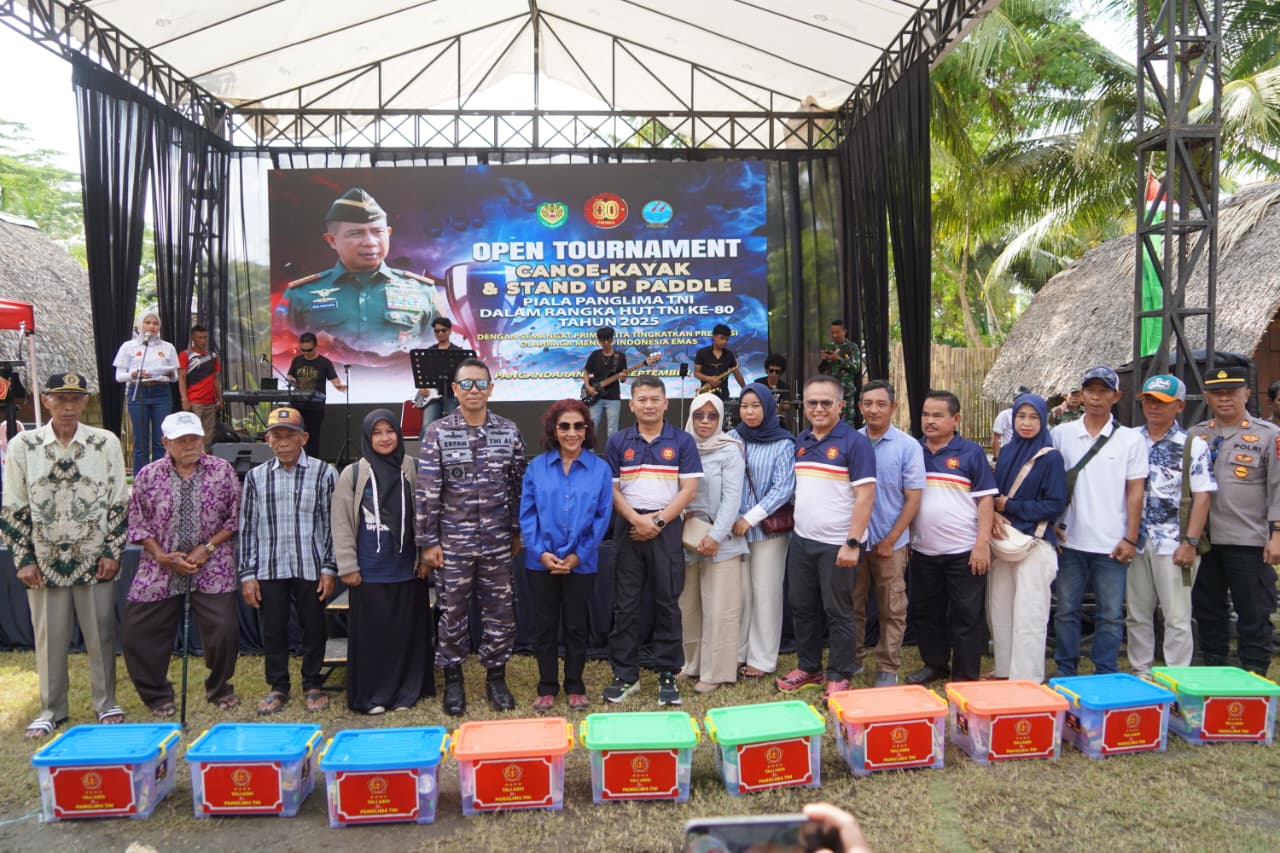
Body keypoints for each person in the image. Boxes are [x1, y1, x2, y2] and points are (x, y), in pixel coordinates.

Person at [0, 372, 128, 739]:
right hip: (44, 560)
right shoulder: (23, 445)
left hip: (95, 557)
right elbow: (13, 505)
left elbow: (119, 501)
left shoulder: (105, 442)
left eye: (75, 398)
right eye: (60, 399)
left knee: (102, 636)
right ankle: (51, 709)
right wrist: (23, 559)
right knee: (49, 640)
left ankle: (107, 703)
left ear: (86, 401)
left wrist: (112, 551)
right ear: (46, 401)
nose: (68, 406)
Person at [416, 357, 527, 715]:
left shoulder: (509, 431)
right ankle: (453, 681)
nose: (473, 390)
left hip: (497, 541)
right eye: (466, 384)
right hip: (452, 544)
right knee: (452, 612)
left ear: (490, 388)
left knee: (500, 612)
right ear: (455, 389)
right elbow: (427, 491)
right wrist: (428, 542)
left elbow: (519, 486)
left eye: (480, 383)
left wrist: (517, 531)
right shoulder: (438, 432)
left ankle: (496, 678)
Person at [122, 412, 242, 716]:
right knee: (137, 631)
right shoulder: (148, 475)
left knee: (224, 629)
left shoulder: (222, 470)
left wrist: (208, 547)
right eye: (182, 440)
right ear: (166, 443)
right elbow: (137, 523)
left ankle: (219, 687)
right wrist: (161, 555)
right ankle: (156, 694)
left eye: (195, 439)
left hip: (212, 562)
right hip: (160, 563)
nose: (190, 445)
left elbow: (235, 518)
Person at [603, 374, 702, 706]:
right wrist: (636, 520)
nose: (649, 405)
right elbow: (612, 489)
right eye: (642, 400)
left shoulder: (682, 441)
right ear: (631, 405)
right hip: (629, 527)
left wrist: (657, 522)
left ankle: (667, 674)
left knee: (667, 604)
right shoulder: (618, 441)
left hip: (666, 526)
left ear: (665, 403)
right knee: (626, 604)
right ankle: (625, 675)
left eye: (655, 399)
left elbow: (689, 489)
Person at [777, 375, 875, 698]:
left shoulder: (855, 443)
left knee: (839, 611)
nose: (818, 408)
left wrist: (852, 543)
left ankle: (840, 674)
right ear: (804, 406)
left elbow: (865, 496)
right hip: (802, 540)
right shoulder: (801, 440)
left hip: (838, 544)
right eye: (812, 403)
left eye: (825, 403)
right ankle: (809, 667)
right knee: (802, 606)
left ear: (840, 406)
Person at [332, 409, 434, 714]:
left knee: (405, 636)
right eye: (377, 433)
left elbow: (426, 515)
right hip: (369, 572)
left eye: (390, 431)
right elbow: (341, 522)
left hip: (407, 570)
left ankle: (405, 693)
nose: (385, 438)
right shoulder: (353, 474)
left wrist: (424, 557)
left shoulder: (412, 468)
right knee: (373, 638)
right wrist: (348, 566)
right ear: (367, 437)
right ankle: (372, 696)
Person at [238, 406, 338, 714]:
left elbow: (332, 524)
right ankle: (278, 686)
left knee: (313, 626)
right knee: (273, 628)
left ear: (304, 438)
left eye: (290, 436)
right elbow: (247, 527)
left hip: (310, 564)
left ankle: (312, 683)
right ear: (267, 440)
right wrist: (247, 574)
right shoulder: (256, 477)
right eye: (276, 436)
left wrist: (329, 567)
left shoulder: (324, 473)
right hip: (270, 566)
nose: (283, 443)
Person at [1049, 366, 1148, 677]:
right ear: (1081, 394)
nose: (1095, 397)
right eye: (1090, 390)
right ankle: (1066, 669)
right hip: (1069, 541)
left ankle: (1105, 672)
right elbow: (1048, 482)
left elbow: (1135, 491)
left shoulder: (1131, 439)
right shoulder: (1061, 434)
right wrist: (1050, 525)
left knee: (1111, 614)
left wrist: (1131, 537)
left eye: (1103, 391)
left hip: (1112, 543)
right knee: (1066, 610)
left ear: (1116, 396)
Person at [519, 399, 613, 713]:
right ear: (554, 430)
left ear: (587, 430)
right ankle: (547, 687)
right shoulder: (536, 467)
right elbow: (527, 515)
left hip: (581, 563)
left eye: (578, 426)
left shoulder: (600, 469)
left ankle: (575, 686)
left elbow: (602, 518)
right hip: (540, 563)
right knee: (544, 626)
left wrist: (578, 556)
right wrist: (541, 553)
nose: (572, 433)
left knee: (575, 626)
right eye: (564, 426)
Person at [281, 187, 445, 366]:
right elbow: (285, 352)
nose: (370, 242)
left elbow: (441, 354)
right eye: (356, 233)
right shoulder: (300, 294)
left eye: (378, 232)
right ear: (332, 240)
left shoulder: (423, 291)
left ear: (388, 233)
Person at [1190, 364, 1280, 675]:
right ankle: (1215, 675)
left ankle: (1254, 678)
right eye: (1217, 393)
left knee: (1254, 614)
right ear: (1207, 397)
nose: (1224, 399)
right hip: (1204, 542)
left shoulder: (1268, 436)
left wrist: (1277, 535)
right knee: (1208, 613)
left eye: (1231, 392)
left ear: (1247, 394)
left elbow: (1278, 487)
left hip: (1248, 540)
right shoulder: (1196, 435)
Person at [906, 390, 998, 685]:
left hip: (964, 551)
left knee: (966, 614)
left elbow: (986, 500)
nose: (929, 421)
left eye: (937, 415)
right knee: (927, 612)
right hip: (923, 550)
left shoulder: (970, 453)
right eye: (925, 414)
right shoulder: (914, 451)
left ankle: (965, 674)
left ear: (955, 419)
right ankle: (934, 664)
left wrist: (981, 544)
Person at [1127, 376, 1214, 680]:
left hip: (1174, 541)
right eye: (1149, 400)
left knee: (1176, 616)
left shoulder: (1192, 445)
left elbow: (1203, 496)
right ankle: (1141, 673)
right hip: (1135, 539)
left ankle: (1177, 677)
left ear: (1179, 406)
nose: (1153, 407)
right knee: (1136, 613)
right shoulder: (1130, 439)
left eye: (1162, 402)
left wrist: (1190, 542)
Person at [987, 392, 1066, 683]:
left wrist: (1009, 506)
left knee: (1029, 614)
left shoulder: (1050, 457)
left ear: (1043, 420)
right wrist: (995, 512)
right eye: (1021, 416)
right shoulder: (1007, 452)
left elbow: (1054, 504)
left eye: (1033, 417)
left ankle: (1028, 679)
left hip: (1035, 543)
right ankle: (1004, 672)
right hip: (1005, 541)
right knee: (1000, 609)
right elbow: (992, 494)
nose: (1026, 423)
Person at [854, 379, 925, 687]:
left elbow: (913, 499)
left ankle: (887, 666)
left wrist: (891, 539)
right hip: (855, 541)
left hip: (891, 542)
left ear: (893, 407)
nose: (874, 410)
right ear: (860, 407)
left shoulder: (908, 446)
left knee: (892, 607)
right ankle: (853, 659)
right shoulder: (851, 442)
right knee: (852, 604)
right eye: (868, 403)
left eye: (881, 404)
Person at [679, 393, 747, 694]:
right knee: (688, 607)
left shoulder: (729, 450)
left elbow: (733, 498)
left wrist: (715, 536)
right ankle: (691, 664)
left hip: (722, 541)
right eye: (699, 415)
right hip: (687, 538)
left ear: (720, 419)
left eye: (712, 416)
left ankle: (715, 671)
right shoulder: (682, 447)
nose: (705, 421)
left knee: (720, 610)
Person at [732, 383, 795, 679]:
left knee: (765, 593)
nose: (749, 412)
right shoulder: (733, 438)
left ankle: (762, 658)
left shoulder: (783, 444)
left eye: (756, 406)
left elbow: (784, 489)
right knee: (740, 594)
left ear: (769, 408)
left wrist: (750, 518)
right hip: (734, 530)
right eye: (745, 406)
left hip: (768, 532)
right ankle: (737, 653)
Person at [113, 311, 179, 472]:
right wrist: (133, 374)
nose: (151, 326)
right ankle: (141, 479)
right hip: (138, 391)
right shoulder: (129, 346)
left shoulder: (168, 347)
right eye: (147, 322)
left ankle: (160, 478)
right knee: (141, 442)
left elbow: (175, 376)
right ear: (140, 325)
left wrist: (170, 374)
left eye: (155, 323)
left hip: (161, 392)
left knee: (160, 440)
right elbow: (119, 377)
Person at [287, 331, 347, 459]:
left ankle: (312, 462)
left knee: (313, 438)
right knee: (295, 435)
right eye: (303, 350)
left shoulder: (324, 362)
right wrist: (291, 379)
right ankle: (295, 460)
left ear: (315, 346)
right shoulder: (297, 360)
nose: (306, 353)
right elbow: (290, 374)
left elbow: (333, 378)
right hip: (297, 405)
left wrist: (338, 386)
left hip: (315, 407)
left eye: (309, 350)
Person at [412, 316, 465, 428]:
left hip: (451, 395)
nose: (440, 333)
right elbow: (423, 374)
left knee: (454, 427)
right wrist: (422, 388)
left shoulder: (458, 352)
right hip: (432, 396)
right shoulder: (429, 352)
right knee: (428, 426)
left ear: (450, 331)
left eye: (443, 330)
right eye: (437, 331)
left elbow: (463, 377)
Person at [177, 323, 223, 450]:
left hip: (210, 401)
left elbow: (216, 379)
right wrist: (184, 399)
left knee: (208, 436)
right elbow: (182, 377)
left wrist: (219, 398)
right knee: (194, 434)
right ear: (193, 338)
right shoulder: (185, 355)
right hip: (195, 400)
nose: (203, 341)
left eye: (205, 337)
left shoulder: (213, 356)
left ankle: (205, 459)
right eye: (200, 337)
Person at [583, 326, 628, 440]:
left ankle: (612, 451)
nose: (606, 342)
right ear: (599, 341)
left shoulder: (620, 356)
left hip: (613, 397)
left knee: (613, 430)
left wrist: (623, 377)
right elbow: (586, 372)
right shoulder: (595, 355)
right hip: (595, 397)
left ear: (612, 339)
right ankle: (589, 451)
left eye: (609, 339)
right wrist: (588, 387)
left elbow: (623, 379)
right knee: (592, 428)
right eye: (603, 340)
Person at [817, 320, 862, 424]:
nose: (835, 335)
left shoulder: (852, 347)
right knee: (828, 421)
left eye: (837, 332)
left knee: (846, 423)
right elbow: (821, 370)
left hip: (846, 392)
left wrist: (839, 359)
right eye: (833, 332)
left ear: (844, 331)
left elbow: (856, 368)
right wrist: (823, 360)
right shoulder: (829, 347)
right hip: (829, 392)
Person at [693, 323, 745, 402]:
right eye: (722, 338)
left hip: (724, 395)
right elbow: (696, 373)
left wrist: (745, 389)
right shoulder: (702, 352)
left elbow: (737, 374)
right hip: (705, 394)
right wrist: (709, 379)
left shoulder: (729, 354)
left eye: (726, 339)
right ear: (714, 337)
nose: (724, 341)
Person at [990, 387, 1029, 460]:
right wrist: (996, 458)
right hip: (1009, 456)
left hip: (1026, 455)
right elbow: (996, 437)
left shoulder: (1031, 416)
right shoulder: (1005, 415)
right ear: (1015, 400)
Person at [753, 353, 793, 426]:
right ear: (767, 370)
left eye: (777, 371)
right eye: (771, 371)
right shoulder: (758, 382)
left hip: (776, 418)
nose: (774, 373)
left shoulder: (784, 386)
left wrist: (782, 407)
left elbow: (787, 405)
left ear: (781, 373)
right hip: (760, 417)